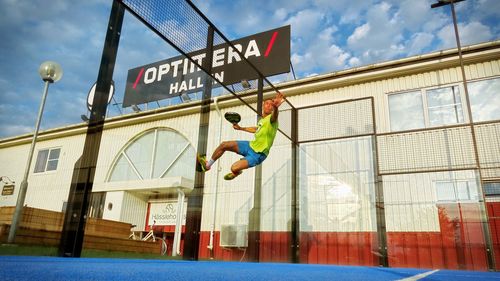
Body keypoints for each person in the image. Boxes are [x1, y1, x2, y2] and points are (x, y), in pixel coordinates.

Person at [197, 91, 285, 180]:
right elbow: (256, 129)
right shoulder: (262, 120)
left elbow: (275, 116)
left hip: (258, 154)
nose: (269, 105)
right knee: (224, 145)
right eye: (267, 103)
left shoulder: (272, 120)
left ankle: (236, 172)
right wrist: (241, 128)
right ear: (263, 105)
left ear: (273, 109)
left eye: (271, 105)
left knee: (233, 168)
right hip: (250, 145)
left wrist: (276, 108)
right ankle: (207, 166)